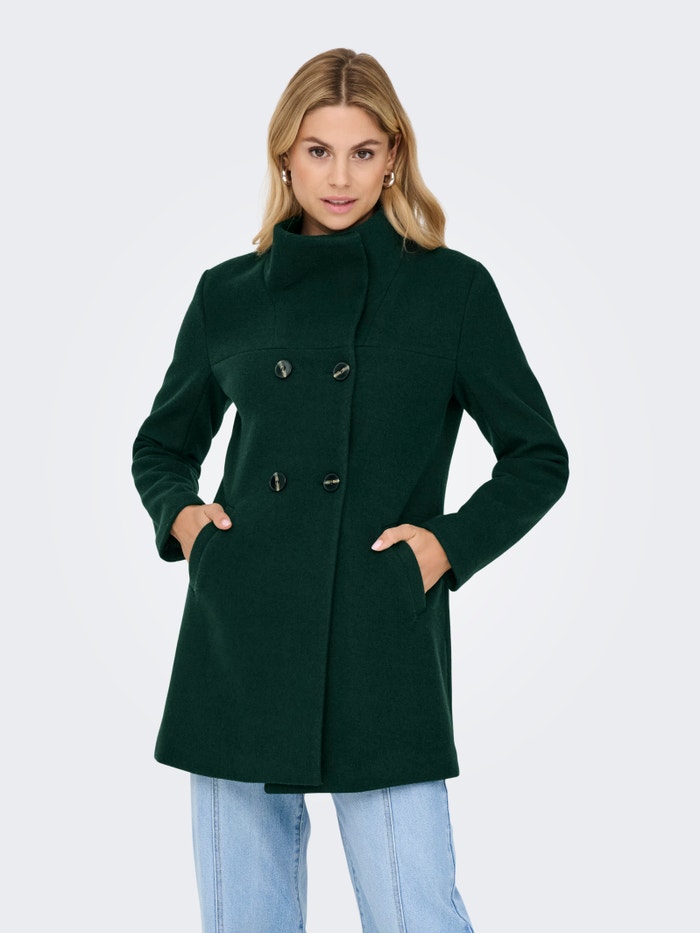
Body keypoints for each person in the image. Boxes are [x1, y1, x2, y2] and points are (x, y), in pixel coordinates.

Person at [132, 47, 569, 933]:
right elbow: (161, 446)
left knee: (416, 911)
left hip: (381, 633)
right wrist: (188, 525)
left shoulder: (452, 290)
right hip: (239, 635)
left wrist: (443, 547)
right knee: (242, 921)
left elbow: (538, 455)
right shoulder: (227, 295)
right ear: (284, 157)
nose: (340, 177)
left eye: (363, 152)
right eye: (319, 151)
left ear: (394, 156)